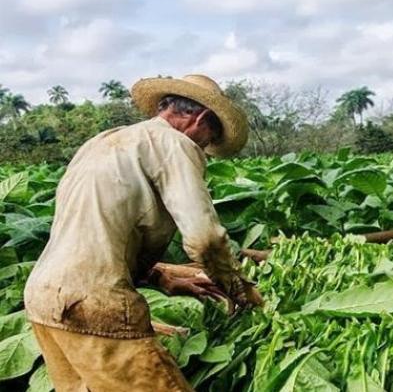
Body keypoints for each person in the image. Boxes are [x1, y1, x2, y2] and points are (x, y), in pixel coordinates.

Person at [24, 74, 261, 392]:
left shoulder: (103, 142)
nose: (204, 149)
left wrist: (162, 277)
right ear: (202, 119)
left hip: (43, 301)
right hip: (93, 305)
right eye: (208, 139)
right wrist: (239, 289)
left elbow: (96, 231)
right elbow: (205, 239)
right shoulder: (174, 144)